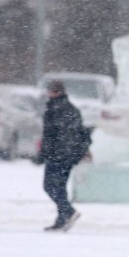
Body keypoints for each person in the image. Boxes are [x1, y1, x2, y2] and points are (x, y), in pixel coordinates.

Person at [33, 80, 91, 232]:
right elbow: (78, 133)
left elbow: (52, 135)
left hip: (58, 155)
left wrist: (44, 154)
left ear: (55, 92)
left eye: (51, 90)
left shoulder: (55, 109)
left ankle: (68, 211)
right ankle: (62, 218)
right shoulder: (70, 109)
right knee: (59, 187)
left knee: (50, 186)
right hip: (68, 155)